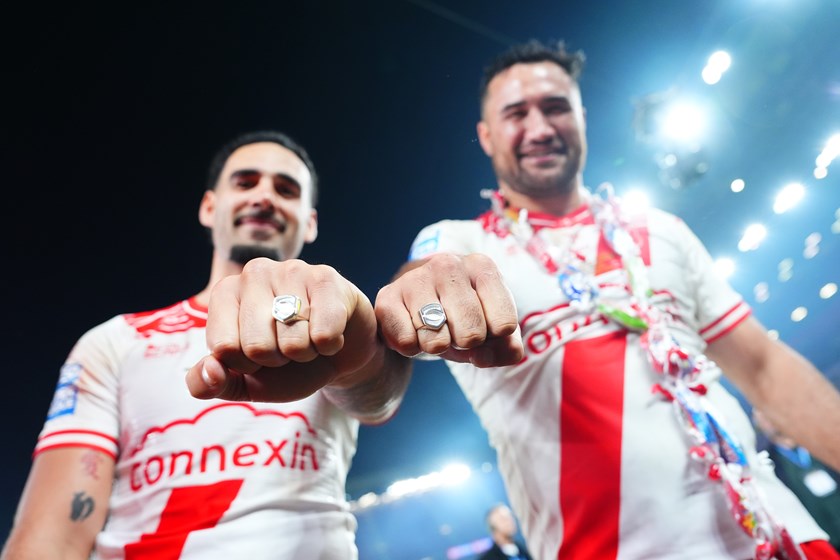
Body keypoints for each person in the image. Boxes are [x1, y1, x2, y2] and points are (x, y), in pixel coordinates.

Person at [379, 40, 840, 559]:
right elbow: (421, 279)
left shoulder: (659, 228)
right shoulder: (461, 243)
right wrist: (420, 290)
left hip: (784, 536)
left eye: (556, 108)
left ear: (581, 118)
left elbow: (763, 367)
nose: (539, 128)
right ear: (486, 137)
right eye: (516, 114)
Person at [1, 130, 415, 559]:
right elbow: (52, 534)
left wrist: (360, 347)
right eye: (245, 182)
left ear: (309, 221)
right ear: (209, 207)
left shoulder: (336, 321)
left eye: (285, 189)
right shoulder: (115, 341)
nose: (264, 197)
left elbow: (377, 398)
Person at [753, 409, 840, 552]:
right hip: (821, 537)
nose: (771, 420)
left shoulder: (819, 441)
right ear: (758, 424)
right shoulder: (766, 462)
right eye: (764, 417)